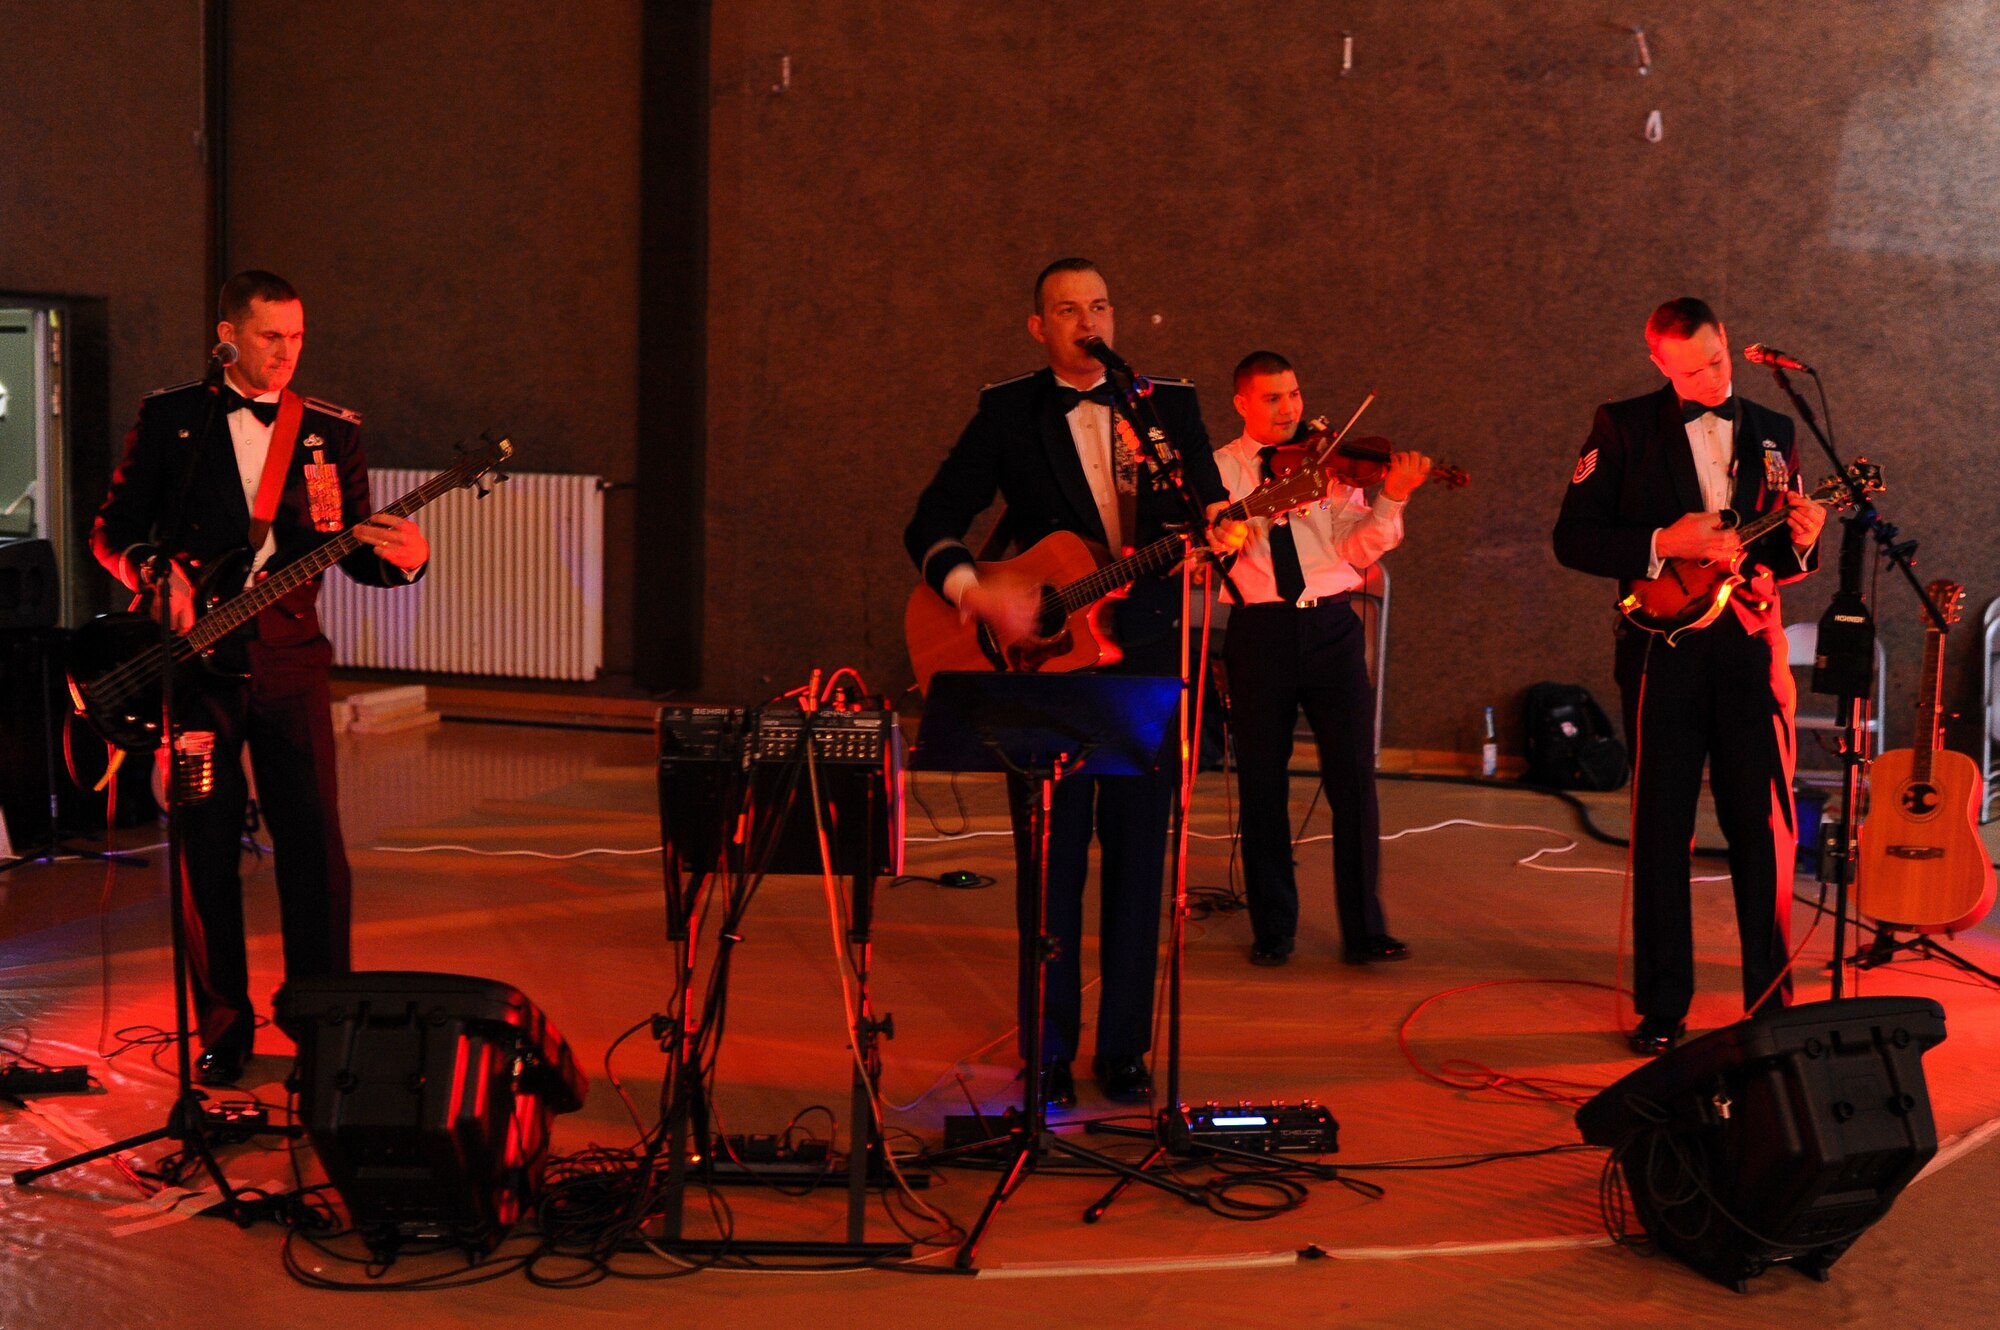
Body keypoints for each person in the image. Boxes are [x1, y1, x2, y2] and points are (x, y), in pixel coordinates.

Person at [91, 270, 430, 1085]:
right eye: (271, 336)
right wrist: (150, 573)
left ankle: (322, 1019)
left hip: (290, 664)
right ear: (230, 336)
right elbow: (113, 528)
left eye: (297, 337)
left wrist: (408, 565)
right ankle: (223, 1022)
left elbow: (354, 551)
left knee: (313, 847)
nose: (286, 353)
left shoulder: (328, 432)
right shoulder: (176, 417)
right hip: (198, 668)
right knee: (203, 846)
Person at [903, 258, 1224, 1107]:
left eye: (1102, 305)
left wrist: (1223, 536)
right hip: (1042, 675)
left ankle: (1123, 1047)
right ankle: (1045, 1050)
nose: (1089, 320)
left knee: (1136, 865)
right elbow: (933, 519)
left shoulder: (1167, 406)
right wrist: (978, 594)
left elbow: (1211, 515)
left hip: (1145, 660)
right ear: (1038, 327)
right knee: (1050, 869)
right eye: (1068, 308)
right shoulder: (1010, 410)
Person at [1552, 297, 1824, 1057]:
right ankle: (1663, 1007)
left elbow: (1773, 560)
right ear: (1658, 363)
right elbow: (1572, 536)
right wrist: (1660, 540)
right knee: (1662, 826)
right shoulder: (1624, 425)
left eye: (1717, 359)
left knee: (1764, 829)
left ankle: (1770, 1005)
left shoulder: (1775, 432)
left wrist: (1802, 543)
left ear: (1727, 341)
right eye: (1691, 367)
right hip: (1659, 649)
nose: (1710, 376)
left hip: (1747, 648)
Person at [1207, 352, 1431, 967]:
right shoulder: (1222, 470)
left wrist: (1393, 499)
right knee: (1261, 784)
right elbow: (1216, 533)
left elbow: (1358, 547)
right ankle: (1273, 928)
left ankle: (1365, 929)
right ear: (1243, 404)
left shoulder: (1329, 467)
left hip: (1332, 626)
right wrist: (1249, 510)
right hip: (1260, 631)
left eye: (1295, 395)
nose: (1289, 409)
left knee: (1354, 780)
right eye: (1274, 398)